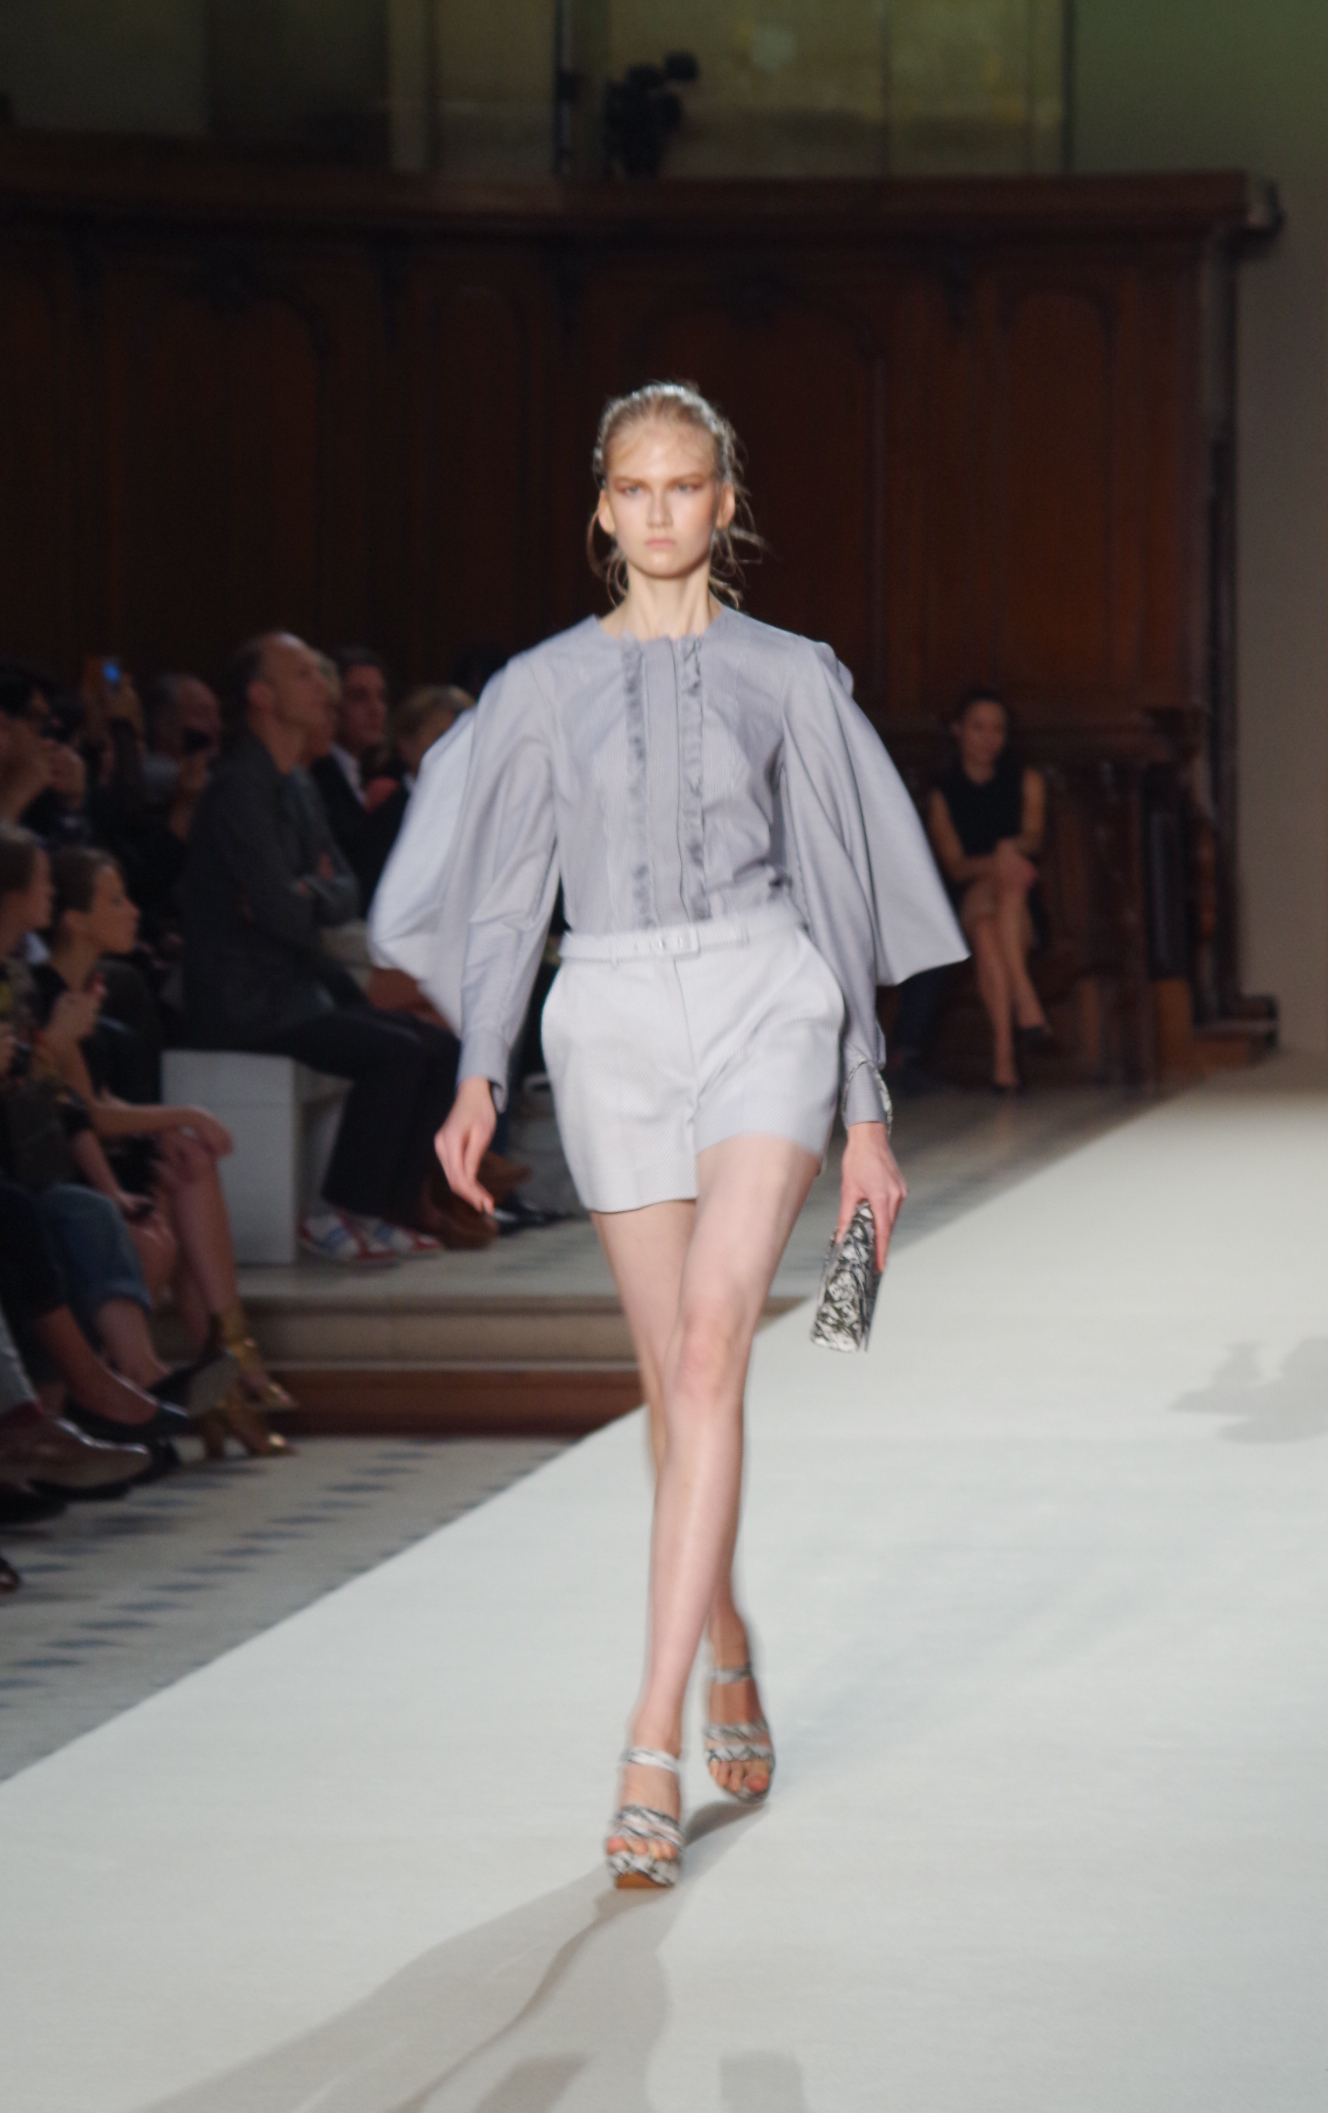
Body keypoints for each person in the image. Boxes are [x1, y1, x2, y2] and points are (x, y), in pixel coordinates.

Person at [435, 381, 966, 1886]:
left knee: (715, 1347)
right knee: (674, 1384)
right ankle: (727, 1640)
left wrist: (865, 1115)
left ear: (724, 505)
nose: (660, 511)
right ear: (602, 507)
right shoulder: (539, 688)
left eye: (686, 486)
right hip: (604, 1009)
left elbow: (840, 890)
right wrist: (477, 1072)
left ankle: (647, 1739)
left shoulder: (790, 674)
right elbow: (507, 895)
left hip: (761, 995)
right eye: (635, 487)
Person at [181, 633, 470, 1259]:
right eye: (305, 675)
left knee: (440, 1047)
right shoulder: (238, 790)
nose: (323, 687)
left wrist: (306, 890)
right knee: (396, 1053)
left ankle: (389, 1205)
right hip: (246, 998)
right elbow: (285, 914)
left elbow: (345, 889)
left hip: (296, 986)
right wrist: (306, 895)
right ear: (262, 696)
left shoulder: (298, 785)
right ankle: (339, 1208)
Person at [37, 846, 294, 1456]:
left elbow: (101, 1103)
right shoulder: (50, 996)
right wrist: (184, 1115)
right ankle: (217, 1375)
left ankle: (229, 1355)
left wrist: (167, 1130)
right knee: (169, 1201)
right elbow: (87, 1113)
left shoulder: (97, 987)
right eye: (115, 900)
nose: (133, 911)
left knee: (187, 1164)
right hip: (69, 1166)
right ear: (75, 919)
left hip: (101, 1157)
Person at [926, 690, 1052, 1094]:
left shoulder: (1026, 780)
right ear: (958, 729)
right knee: (999, 887)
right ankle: (1026, 1002)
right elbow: (957, 866)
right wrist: (1001, 859)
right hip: (969, 895)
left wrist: (1007, 852)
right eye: (978, 727)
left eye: (998, 729)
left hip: (1019, 904)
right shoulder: (942, 795)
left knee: (988, 926)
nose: (989, 738)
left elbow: (1033, 836)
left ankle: (1003, 1058)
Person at [308, 647, 394, 905]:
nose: (375, 709)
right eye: (359, 697)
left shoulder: (372, 773)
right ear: (332, 703)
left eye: (381, 697)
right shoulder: (317, 775)